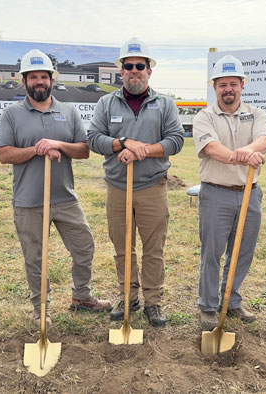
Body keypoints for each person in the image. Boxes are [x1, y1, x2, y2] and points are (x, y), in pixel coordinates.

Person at [0, 49, 111, 327]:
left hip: (64, 198)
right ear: (24, 82)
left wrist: (58, 144)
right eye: (33, 77)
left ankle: (82, 296)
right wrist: (36, 149)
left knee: (84, 246)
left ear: (52, 80)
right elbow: (4, 154)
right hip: (28, 201)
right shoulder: (12, 114)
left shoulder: (68, 112)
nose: (39, 82)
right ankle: (40, 308)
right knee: (35, 258)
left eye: (43, 77)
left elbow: (84, 150)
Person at [87, 37, 184, 327]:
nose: (134, 71)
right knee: (122, 247)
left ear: (149, 71)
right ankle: (128, 295)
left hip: (153, 187)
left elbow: (176, 140)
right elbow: (94, 139)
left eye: (139, 66)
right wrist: (123, 143)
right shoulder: (106, 103)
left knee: (153, 248)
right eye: (128, 66)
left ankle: (153, 301)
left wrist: (143, 150)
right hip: (117, 187)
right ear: (121, 71)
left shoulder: (164, 103)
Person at [192, 55, 266, 330]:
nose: (228, 89)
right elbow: (212, 149)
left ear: (242, 85)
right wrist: (243, 157)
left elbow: (264, 140)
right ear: (214, 87)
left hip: (250, 192)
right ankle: (208, 306)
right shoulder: (204, 117)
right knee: (212, 252)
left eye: (233, 84)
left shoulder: (256, 113)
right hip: (216, 193)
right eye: (222, 84)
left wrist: (247, 152)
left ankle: (231, 299)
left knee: (242, 251)